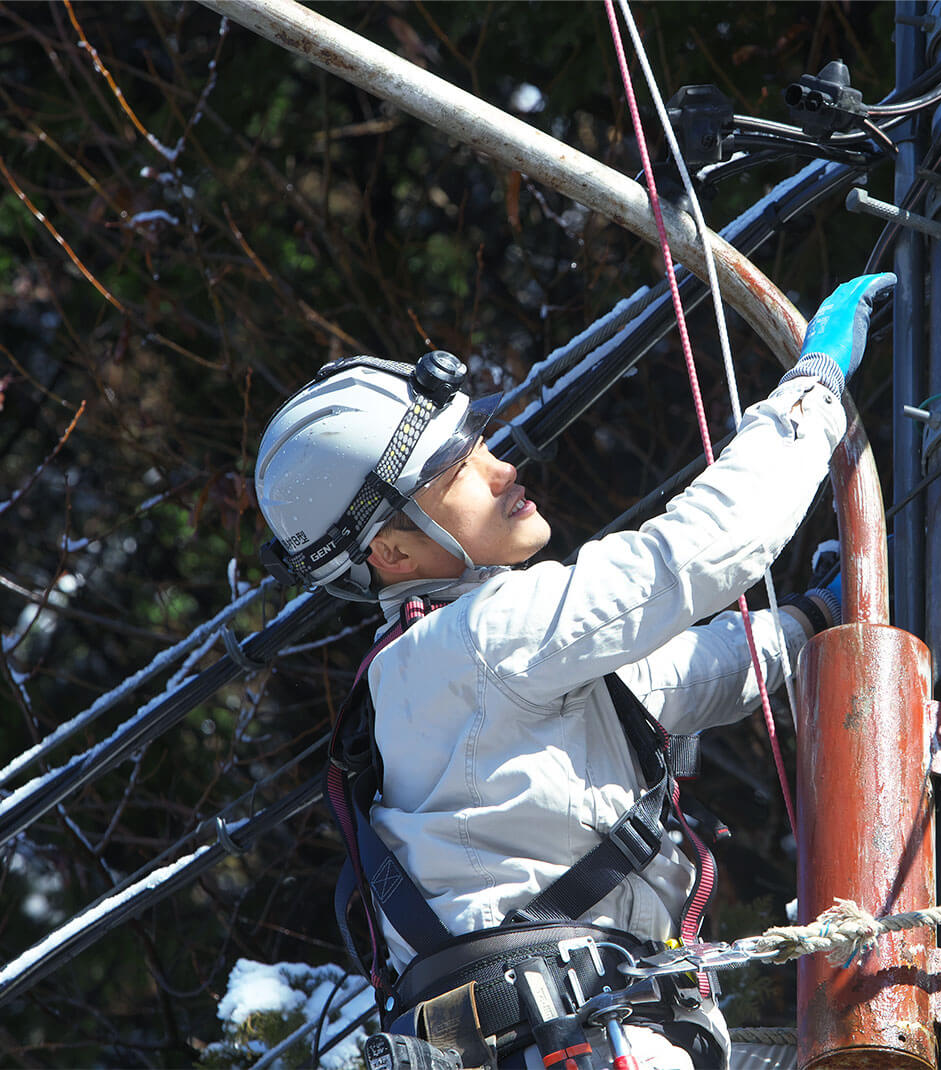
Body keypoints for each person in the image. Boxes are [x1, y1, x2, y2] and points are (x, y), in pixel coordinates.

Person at [253, 273, 895, 1069]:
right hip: (585, 1038)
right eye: (459, 470)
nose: (501, 468)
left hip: (579, 1035)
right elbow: (696, 551)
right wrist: (813, 391)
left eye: (481, 440)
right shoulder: (482, 638)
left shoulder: (443, 673)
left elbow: (686, 674)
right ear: (393, 553)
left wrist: (812, 623)